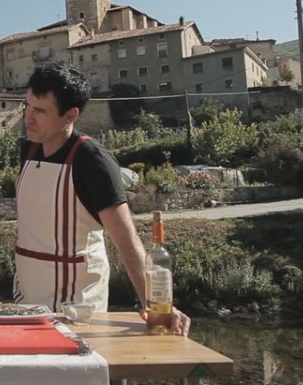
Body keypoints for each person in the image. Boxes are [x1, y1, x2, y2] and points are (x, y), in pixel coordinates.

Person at [13, 62, 190, 336]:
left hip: (75, 309)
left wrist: (153, 305)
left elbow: (126, 240)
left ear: (70, 114)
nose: (28, 117)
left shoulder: (92, 160)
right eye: (27, 106)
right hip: (27, 303)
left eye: (39, 110)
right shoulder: (28, 150)